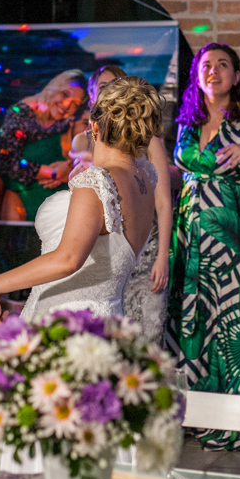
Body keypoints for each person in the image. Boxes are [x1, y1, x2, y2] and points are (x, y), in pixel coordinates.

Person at [0, 76, 162, 326]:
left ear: (94, 126)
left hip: (67, 321)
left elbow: (68, 260)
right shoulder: (144, 176)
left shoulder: (97, 182)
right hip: (109, 316)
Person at [169, 43, 240, 451]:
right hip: (190, 240)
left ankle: (229, 424)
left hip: (235, 244)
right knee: (191, 325)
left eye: (223, 65)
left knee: (231, 331)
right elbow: (180, 179)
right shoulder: (186, 124)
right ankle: (194, 416)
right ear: (197, 76)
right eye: (206, 65)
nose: (213, 70)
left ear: (236, 77)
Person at [70, 66, 173, 345]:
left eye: (114, 85)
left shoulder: (148, 139)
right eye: (102, 87)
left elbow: (163, 201)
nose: (109, 91)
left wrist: (163, 256)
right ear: (93, 95)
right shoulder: (82, 140)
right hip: (100, 254)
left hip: (141, 249)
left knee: (145, 337)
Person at [0, 70, 87, 220]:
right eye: (65, 95)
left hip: (54, 191)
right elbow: (7, 163)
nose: (67, 105)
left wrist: (70, 166)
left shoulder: (70, 119)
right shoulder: (21, 113)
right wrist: (53, 173)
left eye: (75, 103)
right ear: (54, 88)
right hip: (21, 187)